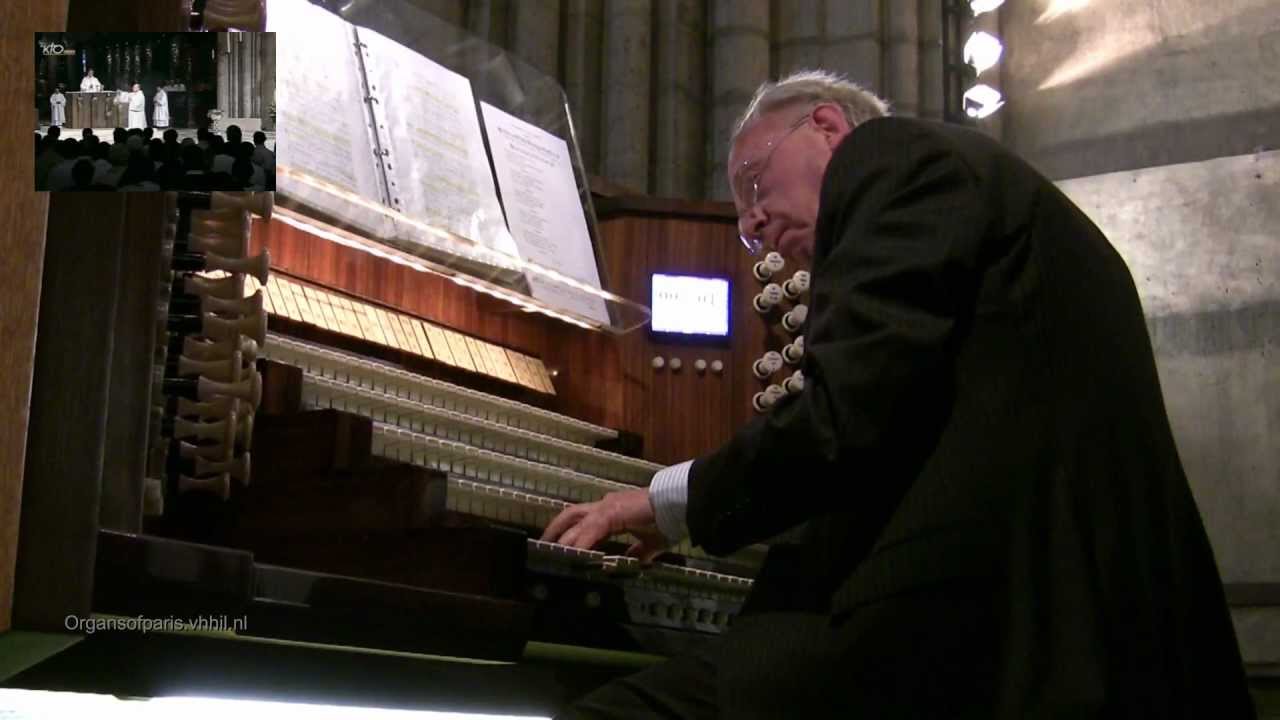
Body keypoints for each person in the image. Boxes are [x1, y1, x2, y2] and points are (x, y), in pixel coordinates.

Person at [543, 69, 1254, 719]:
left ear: (826, 126)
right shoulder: (976, 197)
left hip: (973, 632)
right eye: (741, 219)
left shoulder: (893, 161)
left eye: (755, 183)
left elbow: (839, 420)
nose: (752, 226)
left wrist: (662, 502)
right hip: (1064, 621)